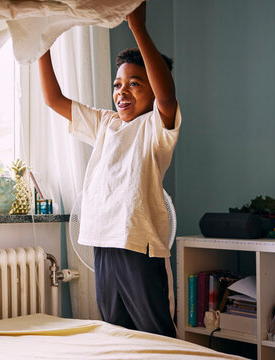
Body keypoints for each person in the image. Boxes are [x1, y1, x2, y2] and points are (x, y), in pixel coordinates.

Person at [38, 2, 180, 337]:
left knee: (156, 336)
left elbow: (167, 96)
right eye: (117, 84)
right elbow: (53, 99)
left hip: (139, 245)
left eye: (135, 83)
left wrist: (138, 27)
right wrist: (41, 44)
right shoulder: (105, 124)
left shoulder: (157, 127)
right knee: (116, 334)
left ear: (152, 90)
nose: (122, 92)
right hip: (102, 240)